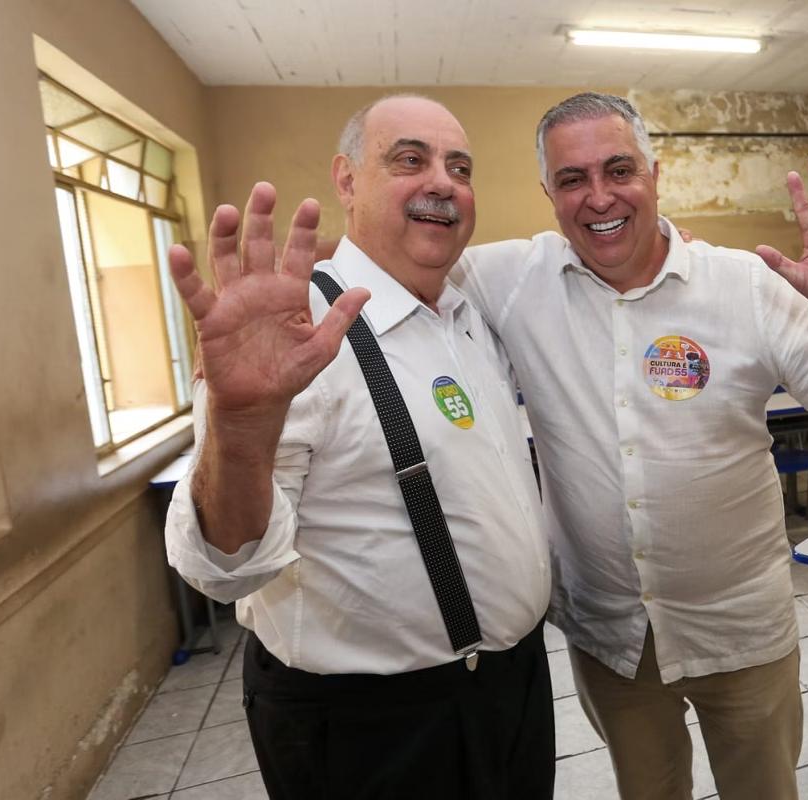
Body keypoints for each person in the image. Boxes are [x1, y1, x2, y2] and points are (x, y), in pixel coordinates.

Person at [452, 92, 808, 800]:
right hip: (613, 639)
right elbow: (398, 268)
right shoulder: (512, 281)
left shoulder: (742, 284)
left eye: (619, 169)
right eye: (572, 179)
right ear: (549, 193)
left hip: (741, 634)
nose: (599, 196)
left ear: (656, 173)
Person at [163, 95, 555, 800]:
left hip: (512, 691)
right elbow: (225, 566)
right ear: (347, 181)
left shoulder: (467, 317)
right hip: (372, 730)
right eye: (410, 159)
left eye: (459, 168)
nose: (442, 181)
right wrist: (242, 428)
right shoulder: (294, 330)